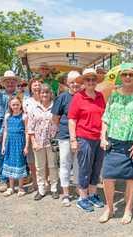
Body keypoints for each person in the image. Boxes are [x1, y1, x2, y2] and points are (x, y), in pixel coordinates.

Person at [99, 66, 133, 224]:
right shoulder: (114, 95)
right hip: (113, 142)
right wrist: (103, 137)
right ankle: (109, 208)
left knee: (131, 178)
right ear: (120, 77)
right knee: (107, 177)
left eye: (131, 74)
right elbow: (106, 117)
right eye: (125, 74)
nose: (128, 77)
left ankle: (128, 209)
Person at [68, 68, 106, 212]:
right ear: (83, 82)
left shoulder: (100, 96)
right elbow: (72, 119)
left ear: (96, 82)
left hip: (99, 139)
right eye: (88, 79)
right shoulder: (79, 97)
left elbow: (104, 118)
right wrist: (73, 140)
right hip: (84, 138)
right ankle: (82, 197)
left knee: (96, 168)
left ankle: (93, 194)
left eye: (93, 80)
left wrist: (103, 136)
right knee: (85, 168)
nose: (91, 82)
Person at [52, 71, 81, 207]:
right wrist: (63, 129)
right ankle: (65, 193)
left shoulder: (83, 97)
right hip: (65, 136)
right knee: (64, 164)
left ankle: (78, 188)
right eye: (72, 82)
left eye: (77, 81)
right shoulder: (62, 98)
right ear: (68, 83)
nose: (75, 84)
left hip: (81, 136)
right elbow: (55, 118)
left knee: (78, 164)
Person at [28, 84, 59, 200]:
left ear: (51, 94)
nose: (44, 95)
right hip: (38, 141)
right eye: (42, 93)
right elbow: (30, 128)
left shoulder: (56, 107)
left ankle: (54, 188)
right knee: (40, 167)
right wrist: (33, 142)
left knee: (53, 165)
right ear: (39, 94)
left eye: (47, 92)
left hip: (53, 140)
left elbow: (59, 123)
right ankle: (41, 189)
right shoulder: (33, 109)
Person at [2, 96, 29, 197]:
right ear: (10, 105)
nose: (15, 106)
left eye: (17, 104)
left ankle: (21, 187)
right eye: (13, 104)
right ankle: (11, 187)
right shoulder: (8, 116)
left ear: (20, 104)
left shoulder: (24, 116)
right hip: (9, 143)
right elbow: (5, 131)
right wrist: (3, 146)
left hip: (19, 143)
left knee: (20, 163)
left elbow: (27, 131)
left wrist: (26, 146)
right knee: (9, 163)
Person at [23, 76, 42, 192]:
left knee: (44, 161)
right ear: (30, 87)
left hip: (44, 134)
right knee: (32, 162)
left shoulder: (46, 98)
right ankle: (35, 183)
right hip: (31, 134)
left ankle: (44, 182)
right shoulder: (27, 102)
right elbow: (26, 120)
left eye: (38, 84)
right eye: (34, 84)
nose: (36, 86)